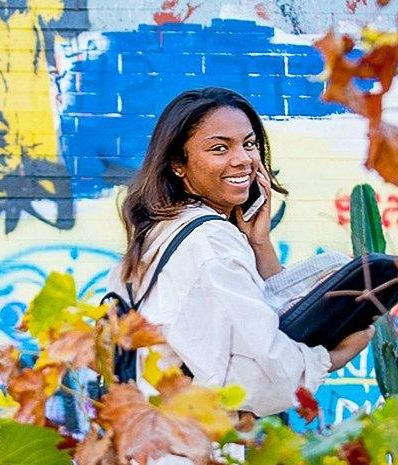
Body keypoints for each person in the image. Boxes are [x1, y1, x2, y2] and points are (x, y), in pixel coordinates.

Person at [107, 87, 373, 417]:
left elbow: (262, 323)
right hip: (199, 455)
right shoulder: (210, 241)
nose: (244, 159)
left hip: (161, 446)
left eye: (249, 144)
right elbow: (264, 371)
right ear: (178, 163)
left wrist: (259, 244)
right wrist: (332, 358)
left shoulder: (162, 231)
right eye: (220, 148)